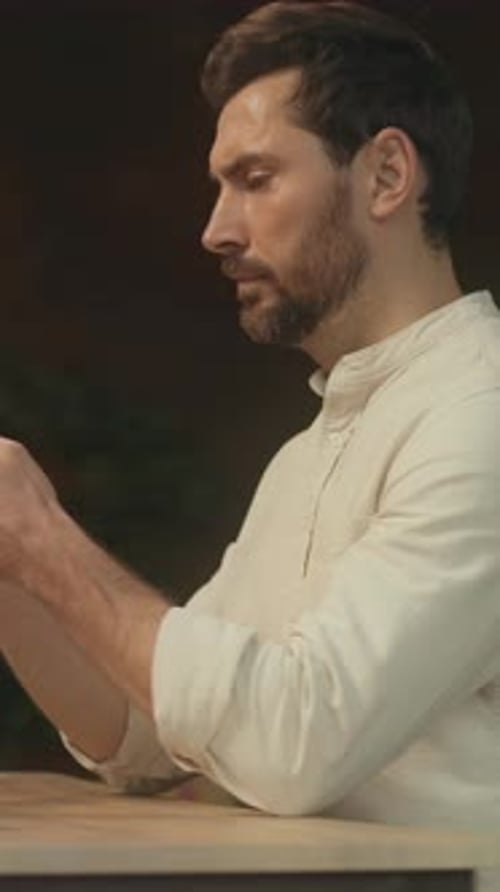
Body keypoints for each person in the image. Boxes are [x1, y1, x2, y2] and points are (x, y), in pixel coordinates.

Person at [1, 0, 499, 831]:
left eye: (256, 179)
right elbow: (150, 734)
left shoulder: (481, 416)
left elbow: (295, 745)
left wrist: (45, 540)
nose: (215, 230)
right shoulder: (308, 454)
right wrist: (13, 564)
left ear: (386, 176)